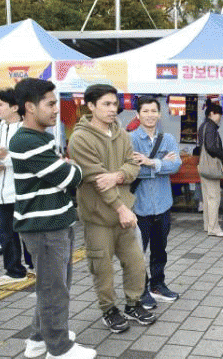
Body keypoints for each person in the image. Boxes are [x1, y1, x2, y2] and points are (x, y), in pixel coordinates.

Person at [9, 78, 95, 359]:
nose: (57, 109)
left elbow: (63, 175)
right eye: (51, 103)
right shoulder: (27, 141)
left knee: (54, 286)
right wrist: (72, 168)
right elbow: (69, 177)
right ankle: (59, 348)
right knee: (53, 290)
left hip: (55, 223)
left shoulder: (39, 138)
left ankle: (38, 339)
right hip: (43, 227)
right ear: (30, 107)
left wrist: (68, 169)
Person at [68, 84, 156, 334]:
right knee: (102, 268)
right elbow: (96, 179)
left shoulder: (121, 134)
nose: (112, 109)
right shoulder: (80, 138)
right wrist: (120, 208)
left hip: (125, 215)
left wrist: (117, 176)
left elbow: (133, 166)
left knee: (136, 263)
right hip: (99, 217)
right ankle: (108, 309)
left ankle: (133, 304)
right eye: (106, 104)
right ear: (91, 106)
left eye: (114, 104)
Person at [129, 97, 182, 310]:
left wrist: (150, 162)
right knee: (137, 252)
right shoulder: (130, 139)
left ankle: (157, 285)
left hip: (163, 204)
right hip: (139, 207)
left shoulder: (167, 139)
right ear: (138, 114)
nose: (150, 115)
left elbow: (176, 165)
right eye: (145, 111)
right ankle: (140, 290)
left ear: (160, 114)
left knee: (160, 250)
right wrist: (161, 165)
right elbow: (132, 171)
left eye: (153, 111)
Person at [0, 89, 28, 286]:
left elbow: (28, 160)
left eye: (0, 104)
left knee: (28, 234)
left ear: (15, 107)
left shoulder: (25, 131)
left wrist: (5, 158)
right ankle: (14, 270)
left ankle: (34, 266)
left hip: (21, 192)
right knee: (6, 235)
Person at [198, 100, 223, 237]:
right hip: (211, 167)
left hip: (203, 166)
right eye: (219, 114)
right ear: (212, 113)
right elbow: (210, 147)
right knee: (214, 198)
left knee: (207, 197)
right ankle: (214, 228)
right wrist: (222, 155)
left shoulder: (203, 126)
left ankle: (207, 225)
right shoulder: (211, 127)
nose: (220, 117)